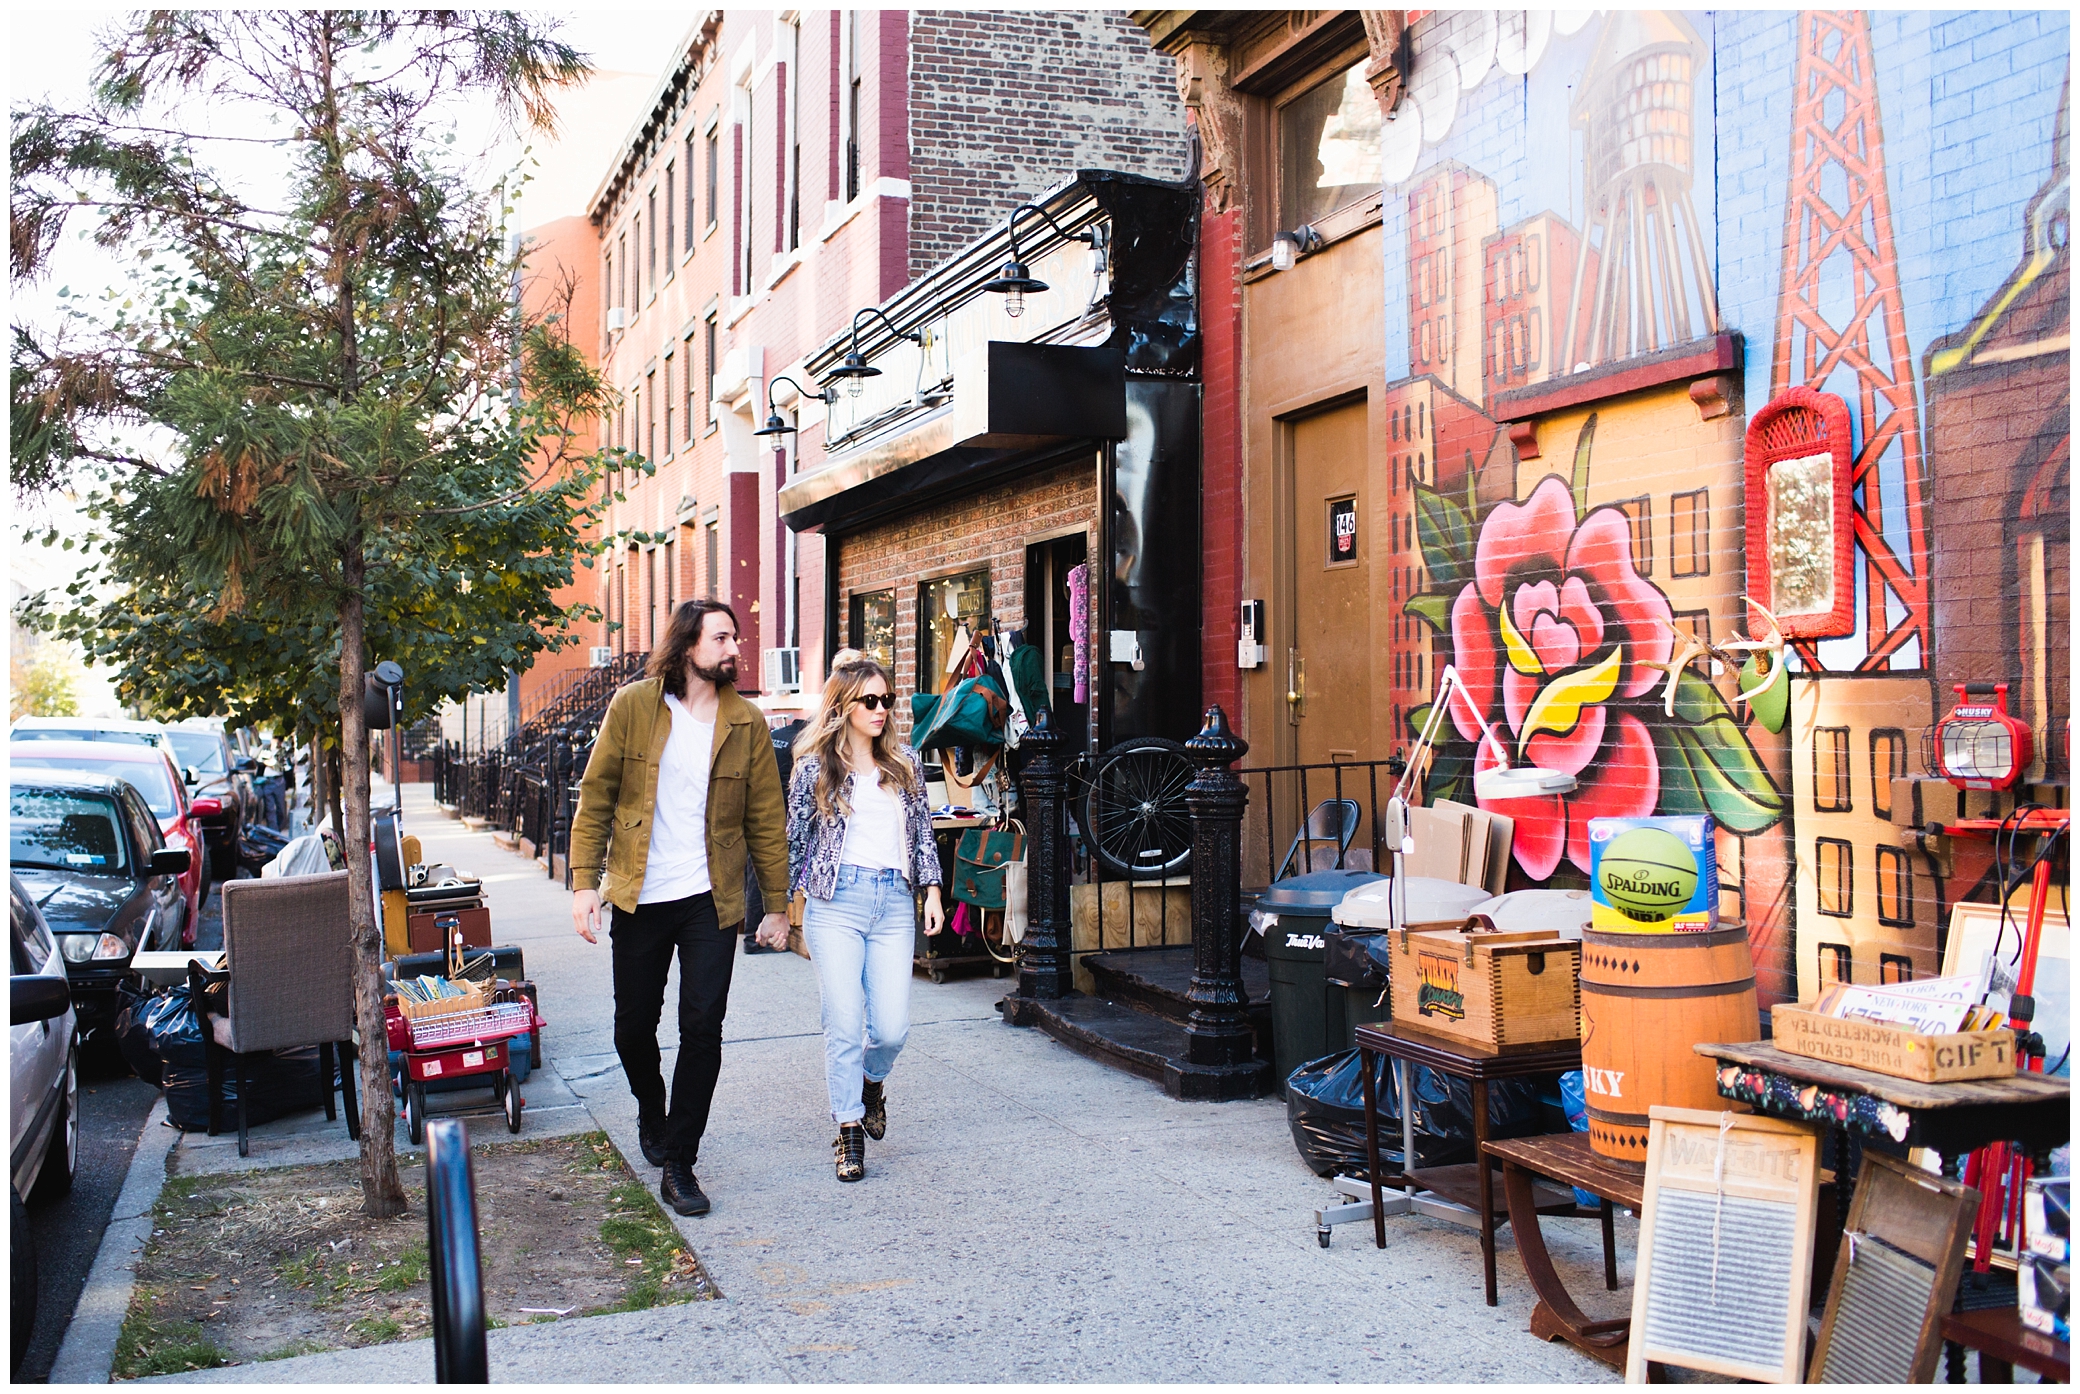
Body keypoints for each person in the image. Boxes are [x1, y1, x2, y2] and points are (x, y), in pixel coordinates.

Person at [568, 599, 791, 1216]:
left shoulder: (745, 722)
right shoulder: (635, 707)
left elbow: (767, 822)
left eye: (735, 639)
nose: (733, 649)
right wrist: (585, 882)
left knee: (702, 1026)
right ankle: (651, 1107)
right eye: (721, 638)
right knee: (633, 1027)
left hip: (709, 902)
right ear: (688, 644)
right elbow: (596, 798)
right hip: (640, 895)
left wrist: (776, 905)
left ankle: (680, 1161)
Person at [787, 652, 944, 1182]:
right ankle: (849, 1130)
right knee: (844, 1022)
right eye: (870, 700)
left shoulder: (906, 765)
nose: (881, 710)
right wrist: (783, 907)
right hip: (836, 903)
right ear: (844, 706)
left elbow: (922, 834)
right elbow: (794, 842)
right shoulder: (814, 769)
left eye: (887, 700)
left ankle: (871, 1082)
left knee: (893, 1028)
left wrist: (934, 893)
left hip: (894, 901)